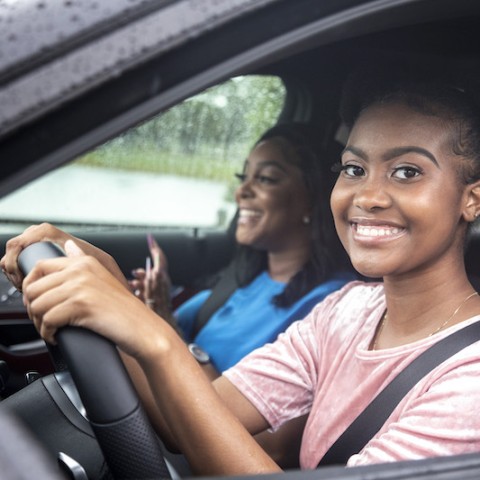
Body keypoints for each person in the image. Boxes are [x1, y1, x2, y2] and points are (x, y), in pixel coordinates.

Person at [4, 65, 480, 475]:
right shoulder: (346, 310)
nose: (367, 196)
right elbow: (190, 421)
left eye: (407, 172)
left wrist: (156, 336)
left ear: (472, 197)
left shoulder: (470, 379)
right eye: (354, 169)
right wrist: (106, 282)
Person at [128, 123, 354, 380]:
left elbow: (228, 414)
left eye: (265, 178)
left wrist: (164, 324)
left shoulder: (332, 304)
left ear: (313, 199)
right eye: (242, 177)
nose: (241, 192)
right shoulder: (242, 281)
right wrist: (150, 301)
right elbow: (166, 326)